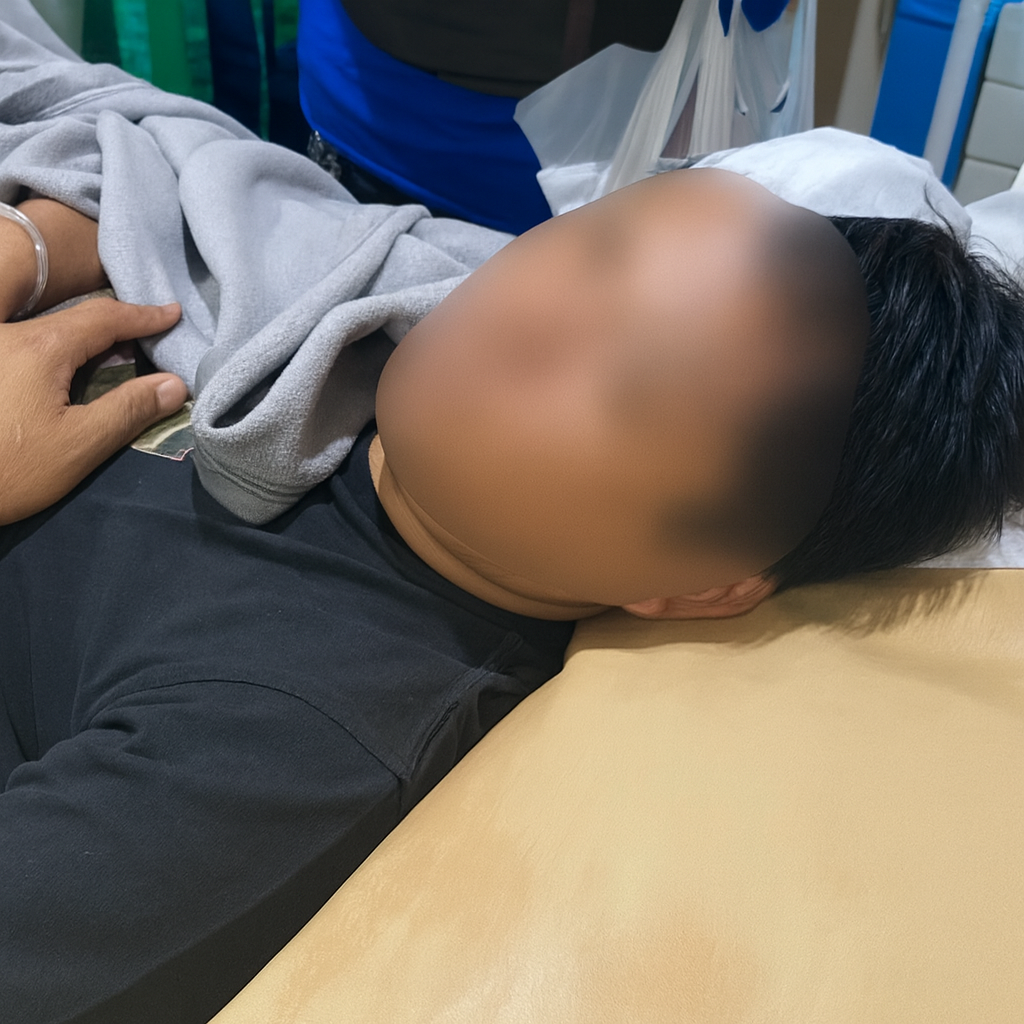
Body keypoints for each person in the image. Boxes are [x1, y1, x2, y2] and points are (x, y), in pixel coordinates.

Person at [3, 6, 1024, 1024]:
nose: (532, 311)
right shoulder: (372, 307)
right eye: (601, 249)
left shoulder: (289, 749)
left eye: (634, 387)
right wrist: (46, 244)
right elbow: (165, 163)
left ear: (700, 586)